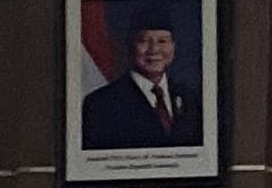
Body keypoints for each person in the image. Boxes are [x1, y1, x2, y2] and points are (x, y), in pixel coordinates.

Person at [81, 11, 202, 153]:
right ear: (130, 46)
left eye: (162, 41)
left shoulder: (189, 98)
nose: (154, 50)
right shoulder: (101, 103)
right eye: (144, 41)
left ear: (174, 47)